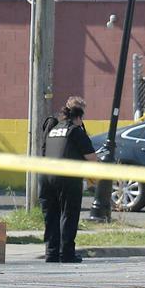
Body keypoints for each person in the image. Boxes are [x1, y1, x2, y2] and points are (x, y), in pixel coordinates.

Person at [40, 95, 97, 263]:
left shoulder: (53, 127)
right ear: (79, 116)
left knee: (51, 215)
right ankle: (66, 253)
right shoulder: (75, 130)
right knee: (68, 214)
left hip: (46, 176)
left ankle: (51, 253)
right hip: (67, 177)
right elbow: (92, 158)